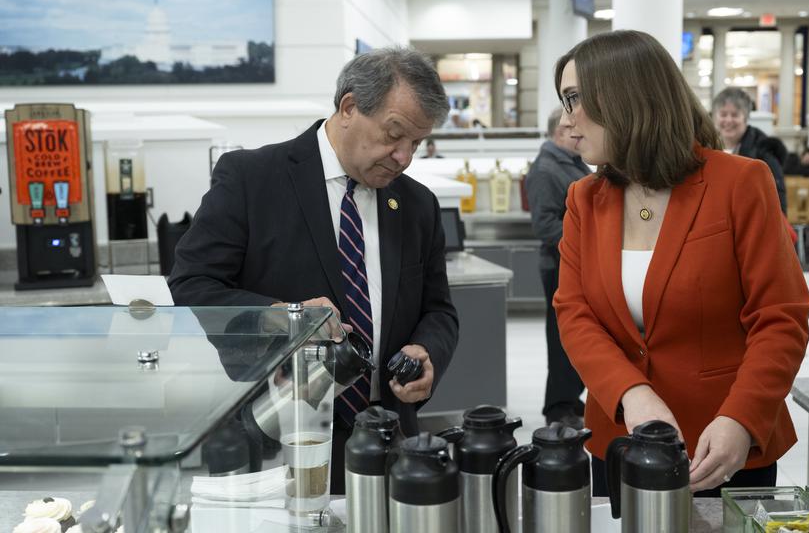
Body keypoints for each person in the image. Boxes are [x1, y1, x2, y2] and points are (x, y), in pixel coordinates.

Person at [168, 47, 459, 494]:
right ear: (348, 107)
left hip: (385, 434)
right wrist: (283, 316)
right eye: (394, 135)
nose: (403, 157)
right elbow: (191, 285)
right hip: (274, 430)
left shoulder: (417, 204)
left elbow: (439, 310)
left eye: (416, 144)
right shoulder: (252, 178)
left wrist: (427, 351)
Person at [552, 30, 809, 497]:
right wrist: (631, 393)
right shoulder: (584, 199)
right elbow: (575, 314)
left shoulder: (739, 182)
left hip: (724, 445)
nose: (567, 117)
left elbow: (781, 318)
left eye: (574, 97)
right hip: (622, 439)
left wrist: (742, 418)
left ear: (625, 96)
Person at [526, 107, 592, 430]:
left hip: (575, 266)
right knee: (561, 338)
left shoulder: (574, 164)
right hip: (558, 267)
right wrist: (587, 243)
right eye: (573, 129)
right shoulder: (546, 169)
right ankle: (557, 407)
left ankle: (569, 397)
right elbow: (545, 226)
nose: (579, 134)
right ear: (558, 132)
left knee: (575, 336)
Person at [712, 87, 787, 212]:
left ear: (745, 118)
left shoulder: (764, 151)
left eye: (735, 115)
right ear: (715, 117)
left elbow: (777, 201)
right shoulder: (706, 148)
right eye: (723, 114)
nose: (728, 120)